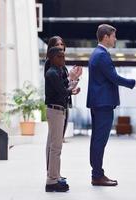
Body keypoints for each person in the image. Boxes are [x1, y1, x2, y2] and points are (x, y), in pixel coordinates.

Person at [86, 24, 136, 186]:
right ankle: (97, 175)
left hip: (98, 103)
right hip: (103, 103)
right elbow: (114, 77)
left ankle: (96, 173)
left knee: (97, 139)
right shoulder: (102, 55)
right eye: (113, 36)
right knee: (100, 140)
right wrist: (135, 83)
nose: (115, 39)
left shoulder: (96, 54)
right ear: (106, 37)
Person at [44, 47, 80, 192]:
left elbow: (64, 86)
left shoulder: (58, 71)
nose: (63, 59)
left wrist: (73, 84)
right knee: (55, 147)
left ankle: (55, 176)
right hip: (55, 111)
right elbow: (62, 91)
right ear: (52, 58)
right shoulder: (52, 73)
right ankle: (52, 181)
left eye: (63, 56)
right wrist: (71, 90)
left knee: (56, 147)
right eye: (60, 57)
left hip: (59, 110)